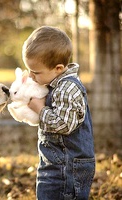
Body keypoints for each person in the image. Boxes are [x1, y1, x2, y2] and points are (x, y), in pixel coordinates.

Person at [24, 26, 95, 200]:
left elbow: (64, 124)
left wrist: (40, 110)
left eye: (36, 72)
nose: (31, 76)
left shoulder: (67, 89)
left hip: (68, 167)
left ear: (58, 68)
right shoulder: (55, 84)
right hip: (56, 163)